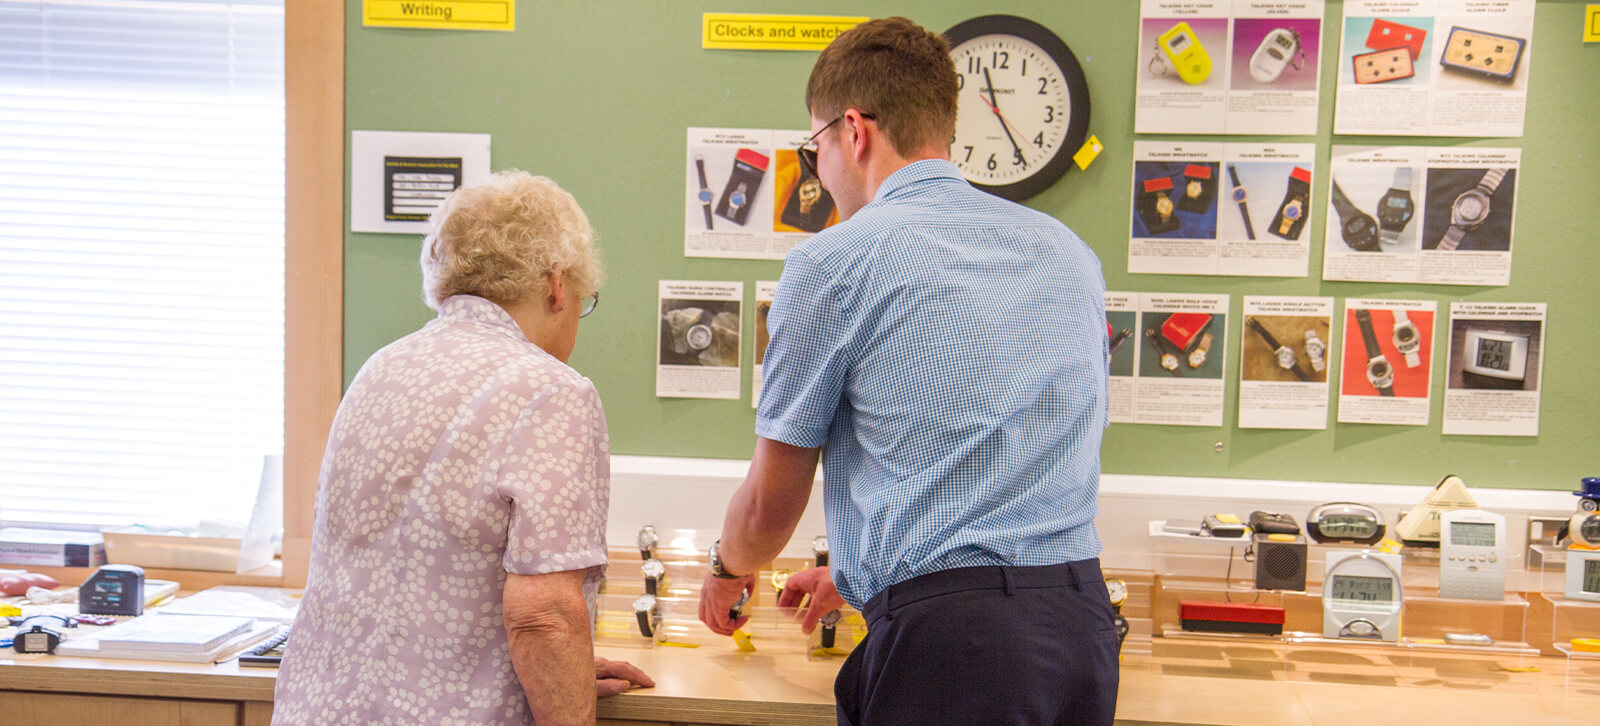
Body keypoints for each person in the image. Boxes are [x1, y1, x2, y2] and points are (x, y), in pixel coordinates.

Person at [697, 17, 1118, 725]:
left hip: (957, 653)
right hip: (1080, 626)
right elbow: (997, 462)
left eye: (815, 146)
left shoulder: (832, 263)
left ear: (853, 131)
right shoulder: (1068, 253)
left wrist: (727, 569)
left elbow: (770, 508)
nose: (819, 169)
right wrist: (870, 578)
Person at [274, 170, 652, 726]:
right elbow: (543, 617)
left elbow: (408, 575)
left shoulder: (381, 369)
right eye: (581, 302)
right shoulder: (550, 391)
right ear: (556, 285)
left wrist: (551, 671)